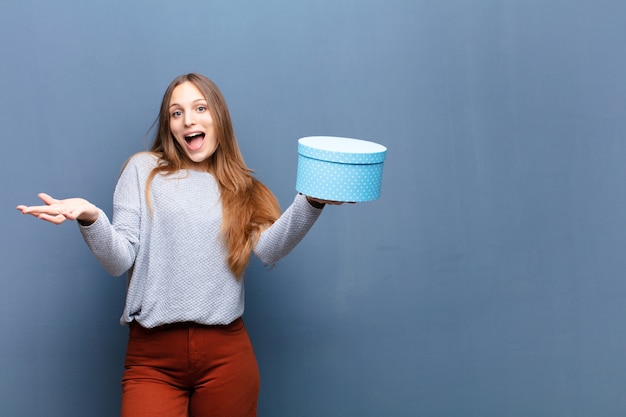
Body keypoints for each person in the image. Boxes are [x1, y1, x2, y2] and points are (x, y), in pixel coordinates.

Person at [17, 73, 342, 417]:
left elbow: (269, 248)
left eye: (200, 108)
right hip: (152, 358)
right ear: (170, 125)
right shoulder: (143, 170)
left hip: (227, 356)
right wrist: (90, 217)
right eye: (176, 112)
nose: (188, 120)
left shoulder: (241, 187)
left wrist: (311, 202)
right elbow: (118, 260)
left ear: (218, 117)